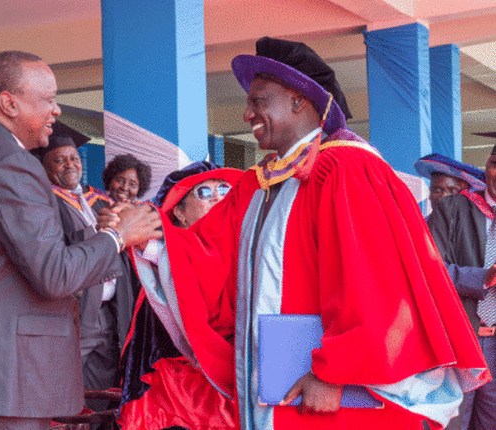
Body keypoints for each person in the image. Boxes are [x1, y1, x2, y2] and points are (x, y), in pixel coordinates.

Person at [129, 37, 489, 430]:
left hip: (329, 390)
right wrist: (149, 233)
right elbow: (207, 253)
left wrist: (335, 371)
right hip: (271, 385)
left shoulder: (345, 169)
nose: (247, 113)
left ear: (299, 100)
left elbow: (372, 282)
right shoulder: (258, 185)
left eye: (258, 100)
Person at [0, 50, 162, 430]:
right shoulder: (11, 162)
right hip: (6, 366)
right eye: (48, 99)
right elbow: (54, 274)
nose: (57, 111)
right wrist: (117, 236)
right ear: (9, 103)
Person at [118, 161, 243, 430]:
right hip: (180, 391)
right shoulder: (168, 250)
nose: (219, 197)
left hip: (239, 379)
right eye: (205, 192)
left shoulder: (244, 242)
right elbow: (167, 249)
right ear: (180, 213)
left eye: (224, 188)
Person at [32, 121, 138, 413]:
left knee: (102, 389)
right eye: (60, 159)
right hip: (74, 312)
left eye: (74, 158)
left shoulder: (101, 199)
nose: (70, 164)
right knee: (66, 384)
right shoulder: (43, 202)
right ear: (44, 166)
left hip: (109, 312)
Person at [427, 147, 496, 430]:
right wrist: (483, 277)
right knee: (451, 423)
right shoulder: (452, 208)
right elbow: (430, 271)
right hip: (460, 340)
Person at [414, 152, 485, 212]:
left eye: (452, 190)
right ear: (430, 195)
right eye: (436, 190)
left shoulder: (481, 226)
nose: (443, 196)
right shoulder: (421, 226)